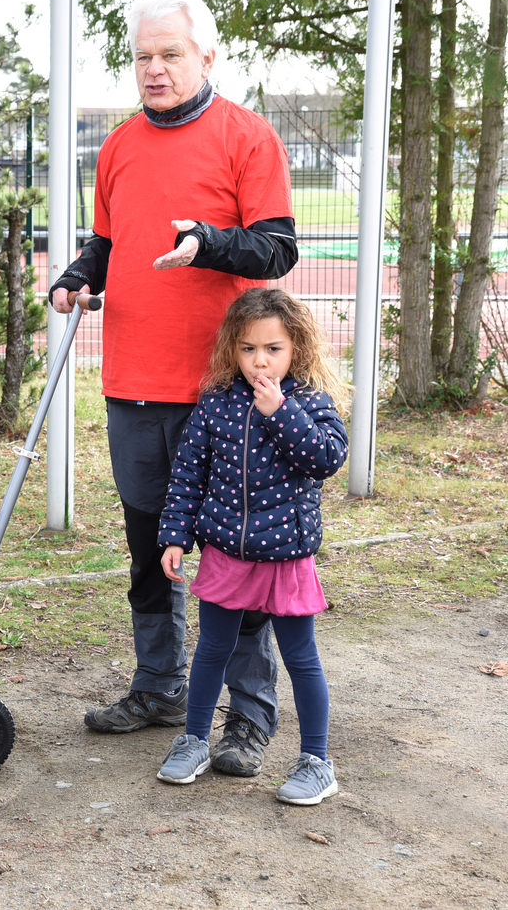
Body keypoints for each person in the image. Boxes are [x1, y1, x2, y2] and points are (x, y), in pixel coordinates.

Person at [50, 0, 298, 773]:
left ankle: (248, 716)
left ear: (207, 58)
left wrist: (208, 246)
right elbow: (108, 245)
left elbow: (276, 250)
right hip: (132, 386)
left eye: (170, 55)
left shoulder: (248, 138)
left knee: (237, 556)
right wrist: (76, 274)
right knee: (147, 548)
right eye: (142, 57)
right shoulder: (119, 144)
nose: (154, 70)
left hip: (222, 394)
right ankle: (159, 686)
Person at [152, 288, 349, 804]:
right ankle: (194, 740)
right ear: (231, 352)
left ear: (297, 350)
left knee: (300, 656)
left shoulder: (310, 403)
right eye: (247, 349)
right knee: (212, 649)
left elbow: (326, 458)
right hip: (225, 553)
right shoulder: (217, 404)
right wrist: (175, 535)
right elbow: (189, 474)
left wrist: (280, 411)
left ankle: (316, 761)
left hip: (286, 556)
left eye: (273, 349)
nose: (259, 360)